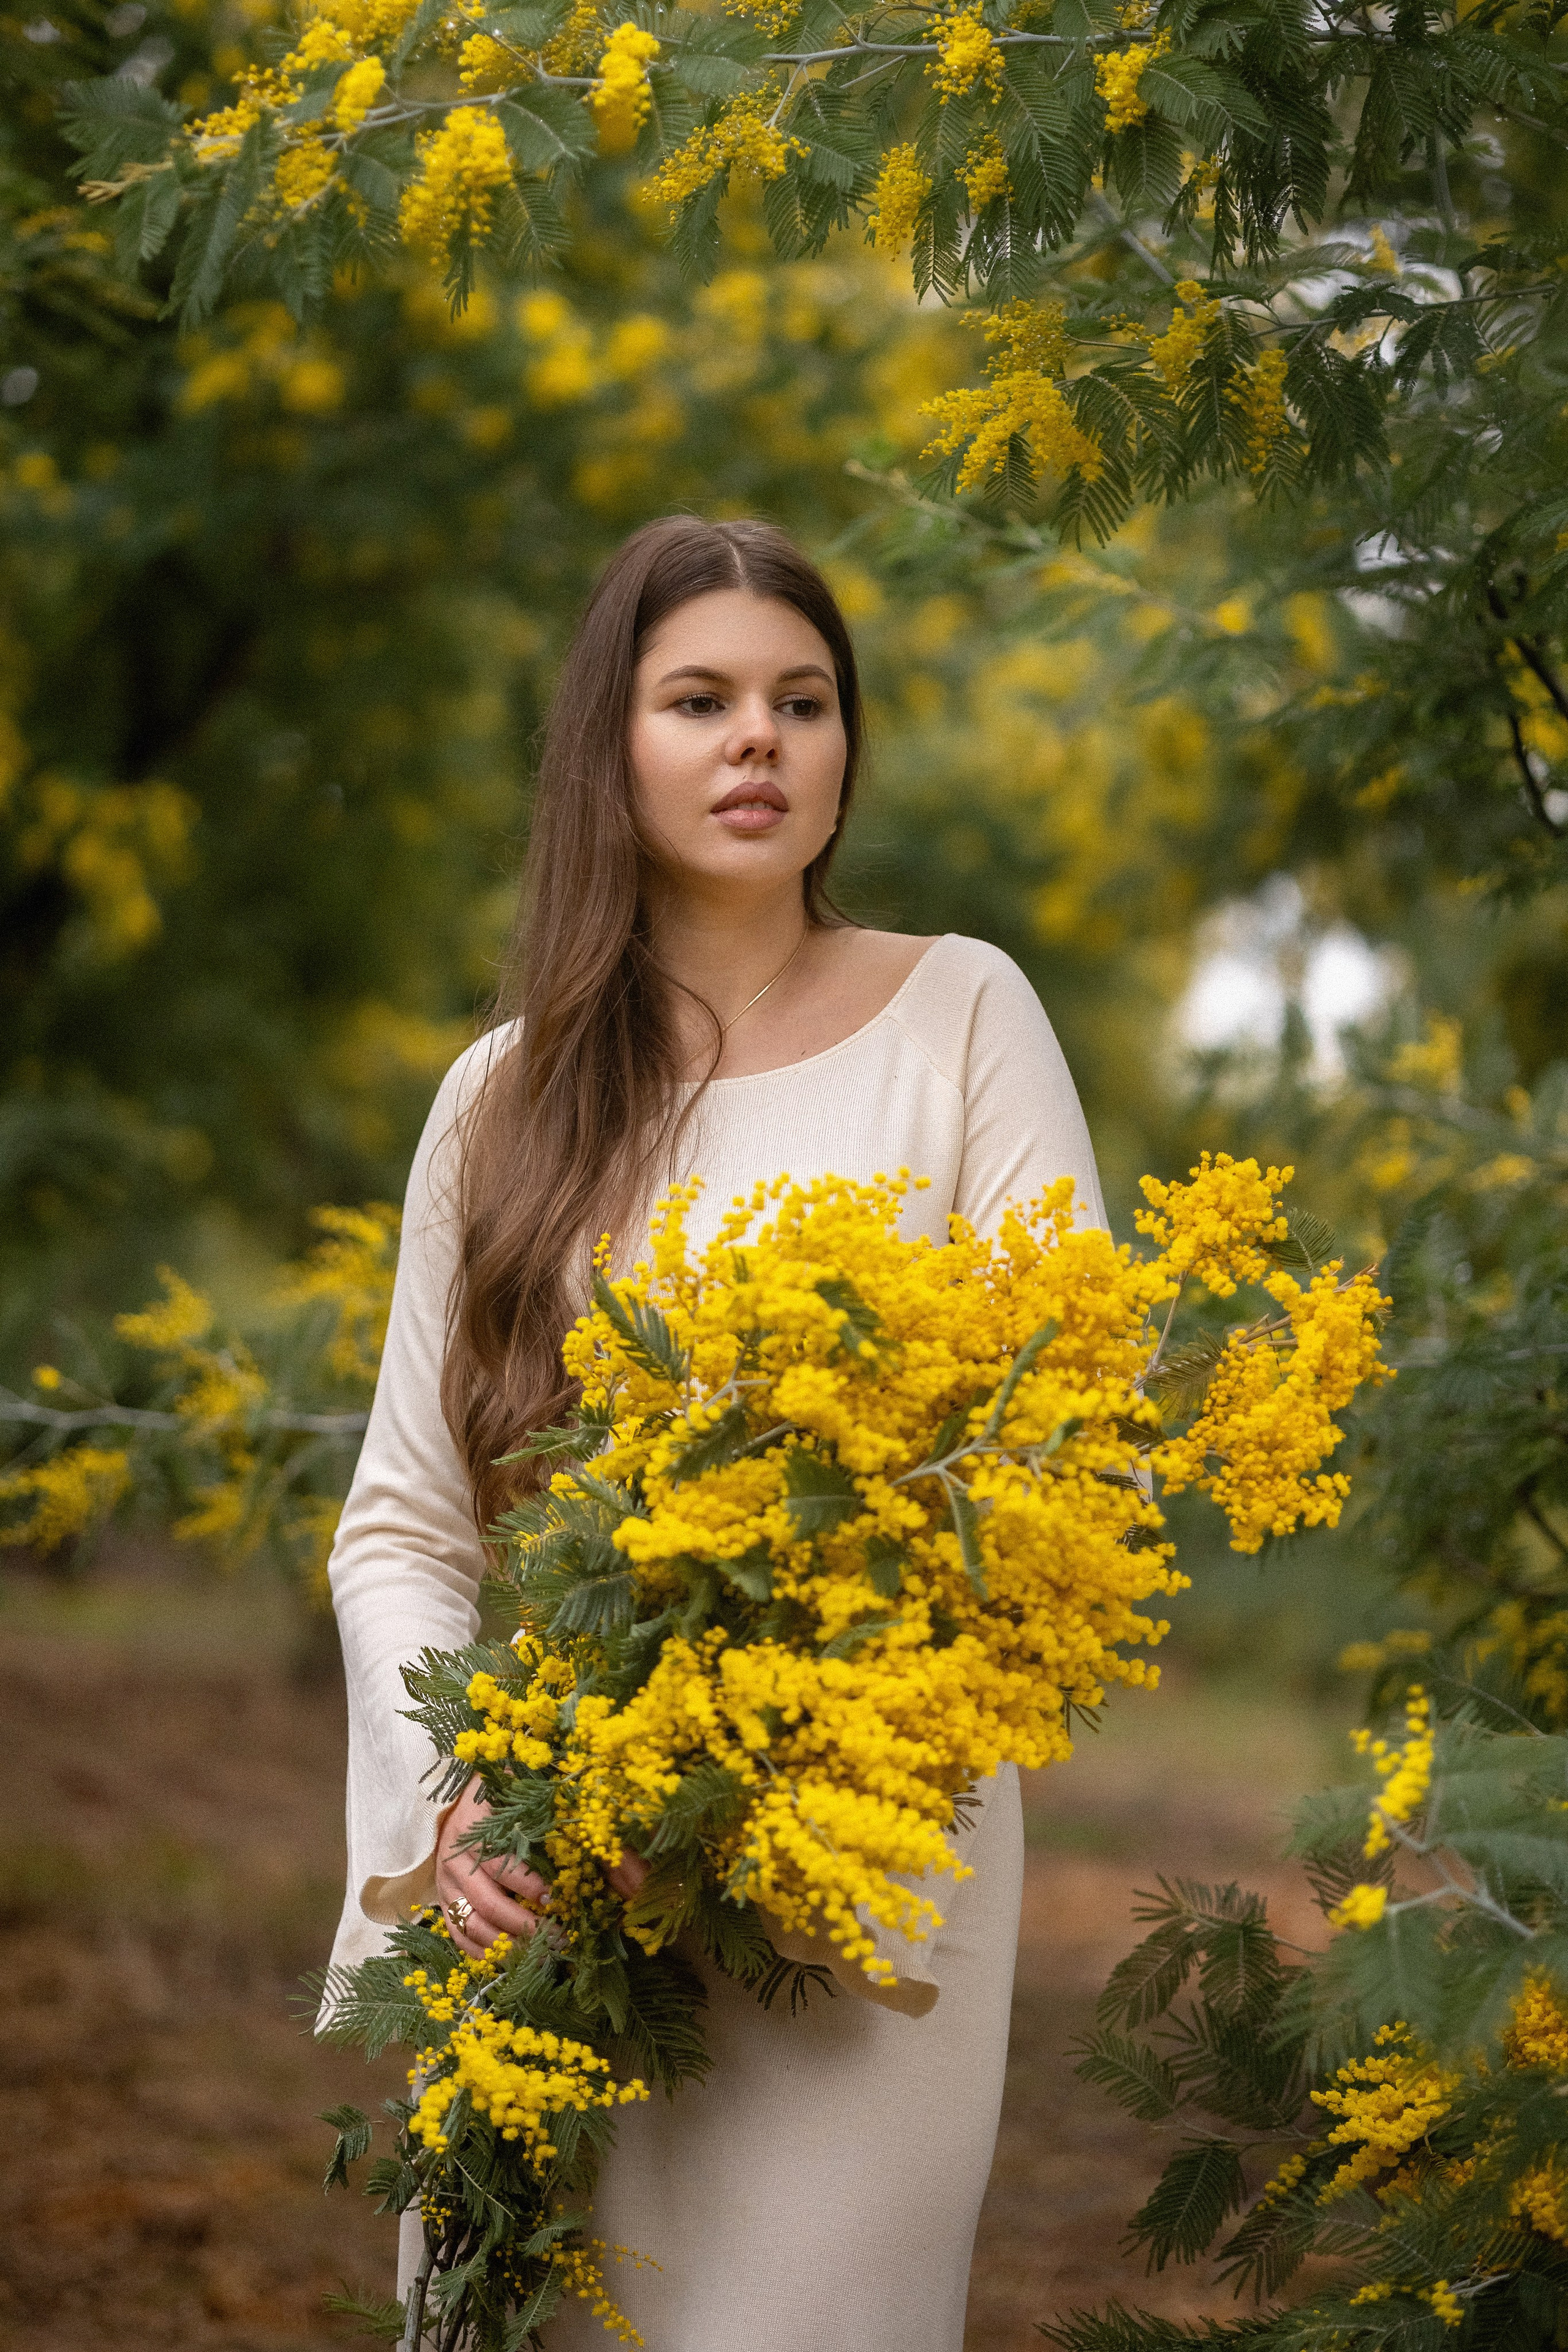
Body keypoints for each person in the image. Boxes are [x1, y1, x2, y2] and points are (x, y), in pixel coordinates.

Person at [325, 514, 1107, 2351]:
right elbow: (407, 1528)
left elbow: (1064, 1452)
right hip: (543, 1877)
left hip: (856, 1891)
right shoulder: (499, 1099)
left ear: (847, 749)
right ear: (615, 745)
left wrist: (746, 1777)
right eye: (700, 699)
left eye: (800, 700)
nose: (758, 738)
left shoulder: (967, 1015)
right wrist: (461, 1811)